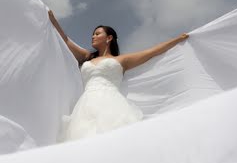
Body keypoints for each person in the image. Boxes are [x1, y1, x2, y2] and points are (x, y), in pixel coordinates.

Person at [48, 9, 189, 142]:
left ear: (109, 38)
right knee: (85, 138)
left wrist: (177, 40)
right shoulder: (87, 56)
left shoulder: (121, 60)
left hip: (112, 103)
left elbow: (151, 52)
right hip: (85, 105)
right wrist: (54, 22)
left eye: (97, 34)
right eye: (93, 34)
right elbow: (66, 41)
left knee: (114, 136)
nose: (93, 36)